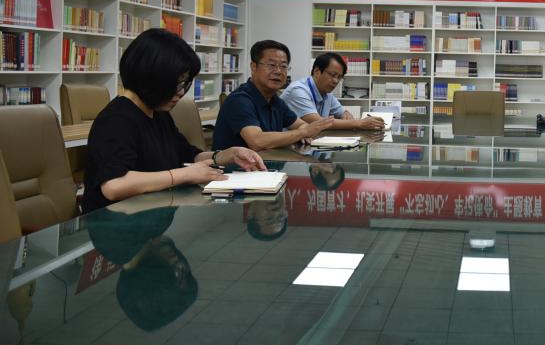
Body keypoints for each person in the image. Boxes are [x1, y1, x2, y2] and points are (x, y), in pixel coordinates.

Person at [84, 29, 265, 213]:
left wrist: (230, 154)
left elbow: (188, 155)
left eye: (185, 84)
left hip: (150, 214)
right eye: (177, 84)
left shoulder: (158, 114)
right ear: (150, 77)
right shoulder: (116, 119)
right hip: (114, 223)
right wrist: (184, 175)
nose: (181, 92)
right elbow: (114, 185)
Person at [213, 40, 335, 151]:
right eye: (271, 65)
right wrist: (302, 133)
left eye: (283, 66)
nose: (278, 71)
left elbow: (301, 125)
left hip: (265, 163)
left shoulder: (275, 100)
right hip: (233, 167)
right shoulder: (239, 100)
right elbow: (257, 141)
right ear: (254, 67)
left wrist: (303, 131)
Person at [280, 52, 385, 131]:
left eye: (339, 77)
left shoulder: (327, 92)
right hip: (285, 148)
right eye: (332, 75)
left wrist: (346, 114)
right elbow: (317, 122)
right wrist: (359, 123)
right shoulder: (298, 90)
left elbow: (342, 113)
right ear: (317, 71)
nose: (335, 81)